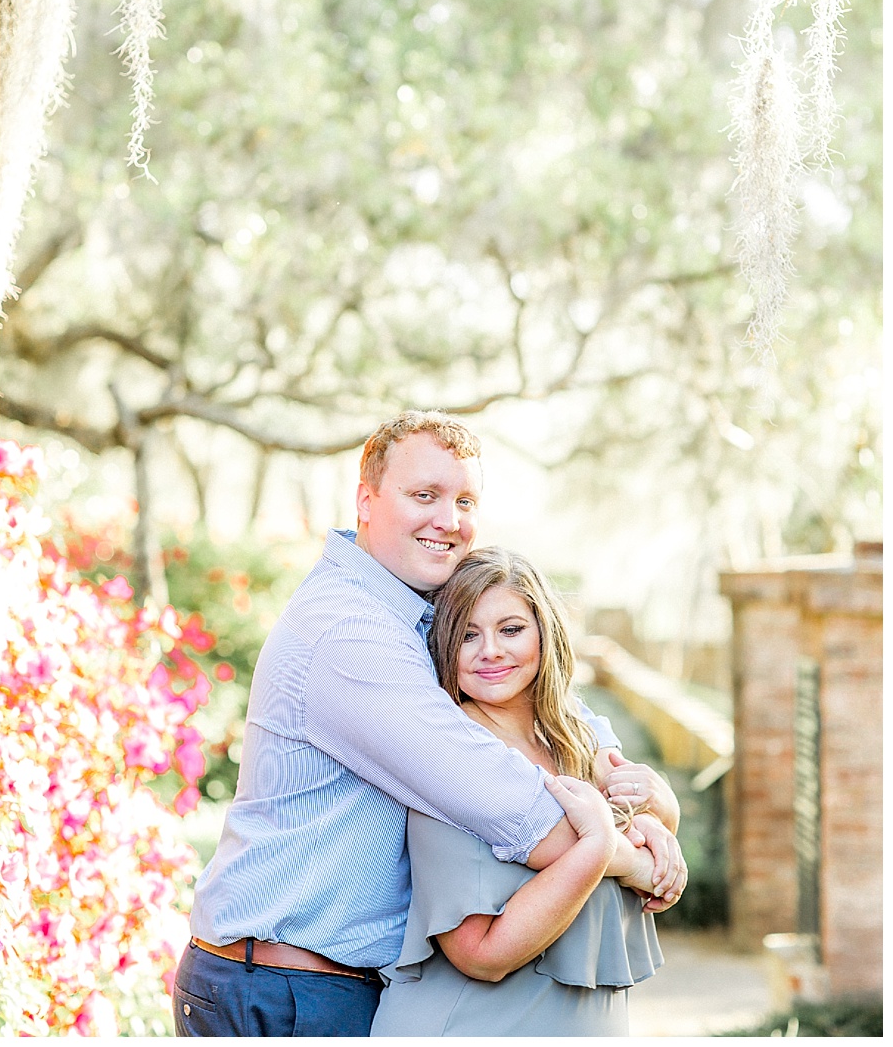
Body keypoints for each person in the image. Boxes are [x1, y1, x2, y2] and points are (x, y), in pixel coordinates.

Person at [173, 411, 684, 1037]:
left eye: (464, 499)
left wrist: (630, 779)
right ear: (366, 500)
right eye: (424, 496)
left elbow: (549, 701)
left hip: (327, 986)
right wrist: (636, 858)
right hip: (283, 990)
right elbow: (503, 797)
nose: (449, 520)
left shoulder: (411, 611)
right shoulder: (351, 632)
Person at [370, 548, 665, 1034]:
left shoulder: (577, 742)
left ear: (545, 634)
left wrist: (655, 821)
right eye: (468, 634)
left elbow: (652, 864)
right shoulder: (449, 760)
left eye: (511, 630)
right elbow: (480, 954)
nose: (491, 650)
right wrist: (602, 848)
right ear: (444, 645)